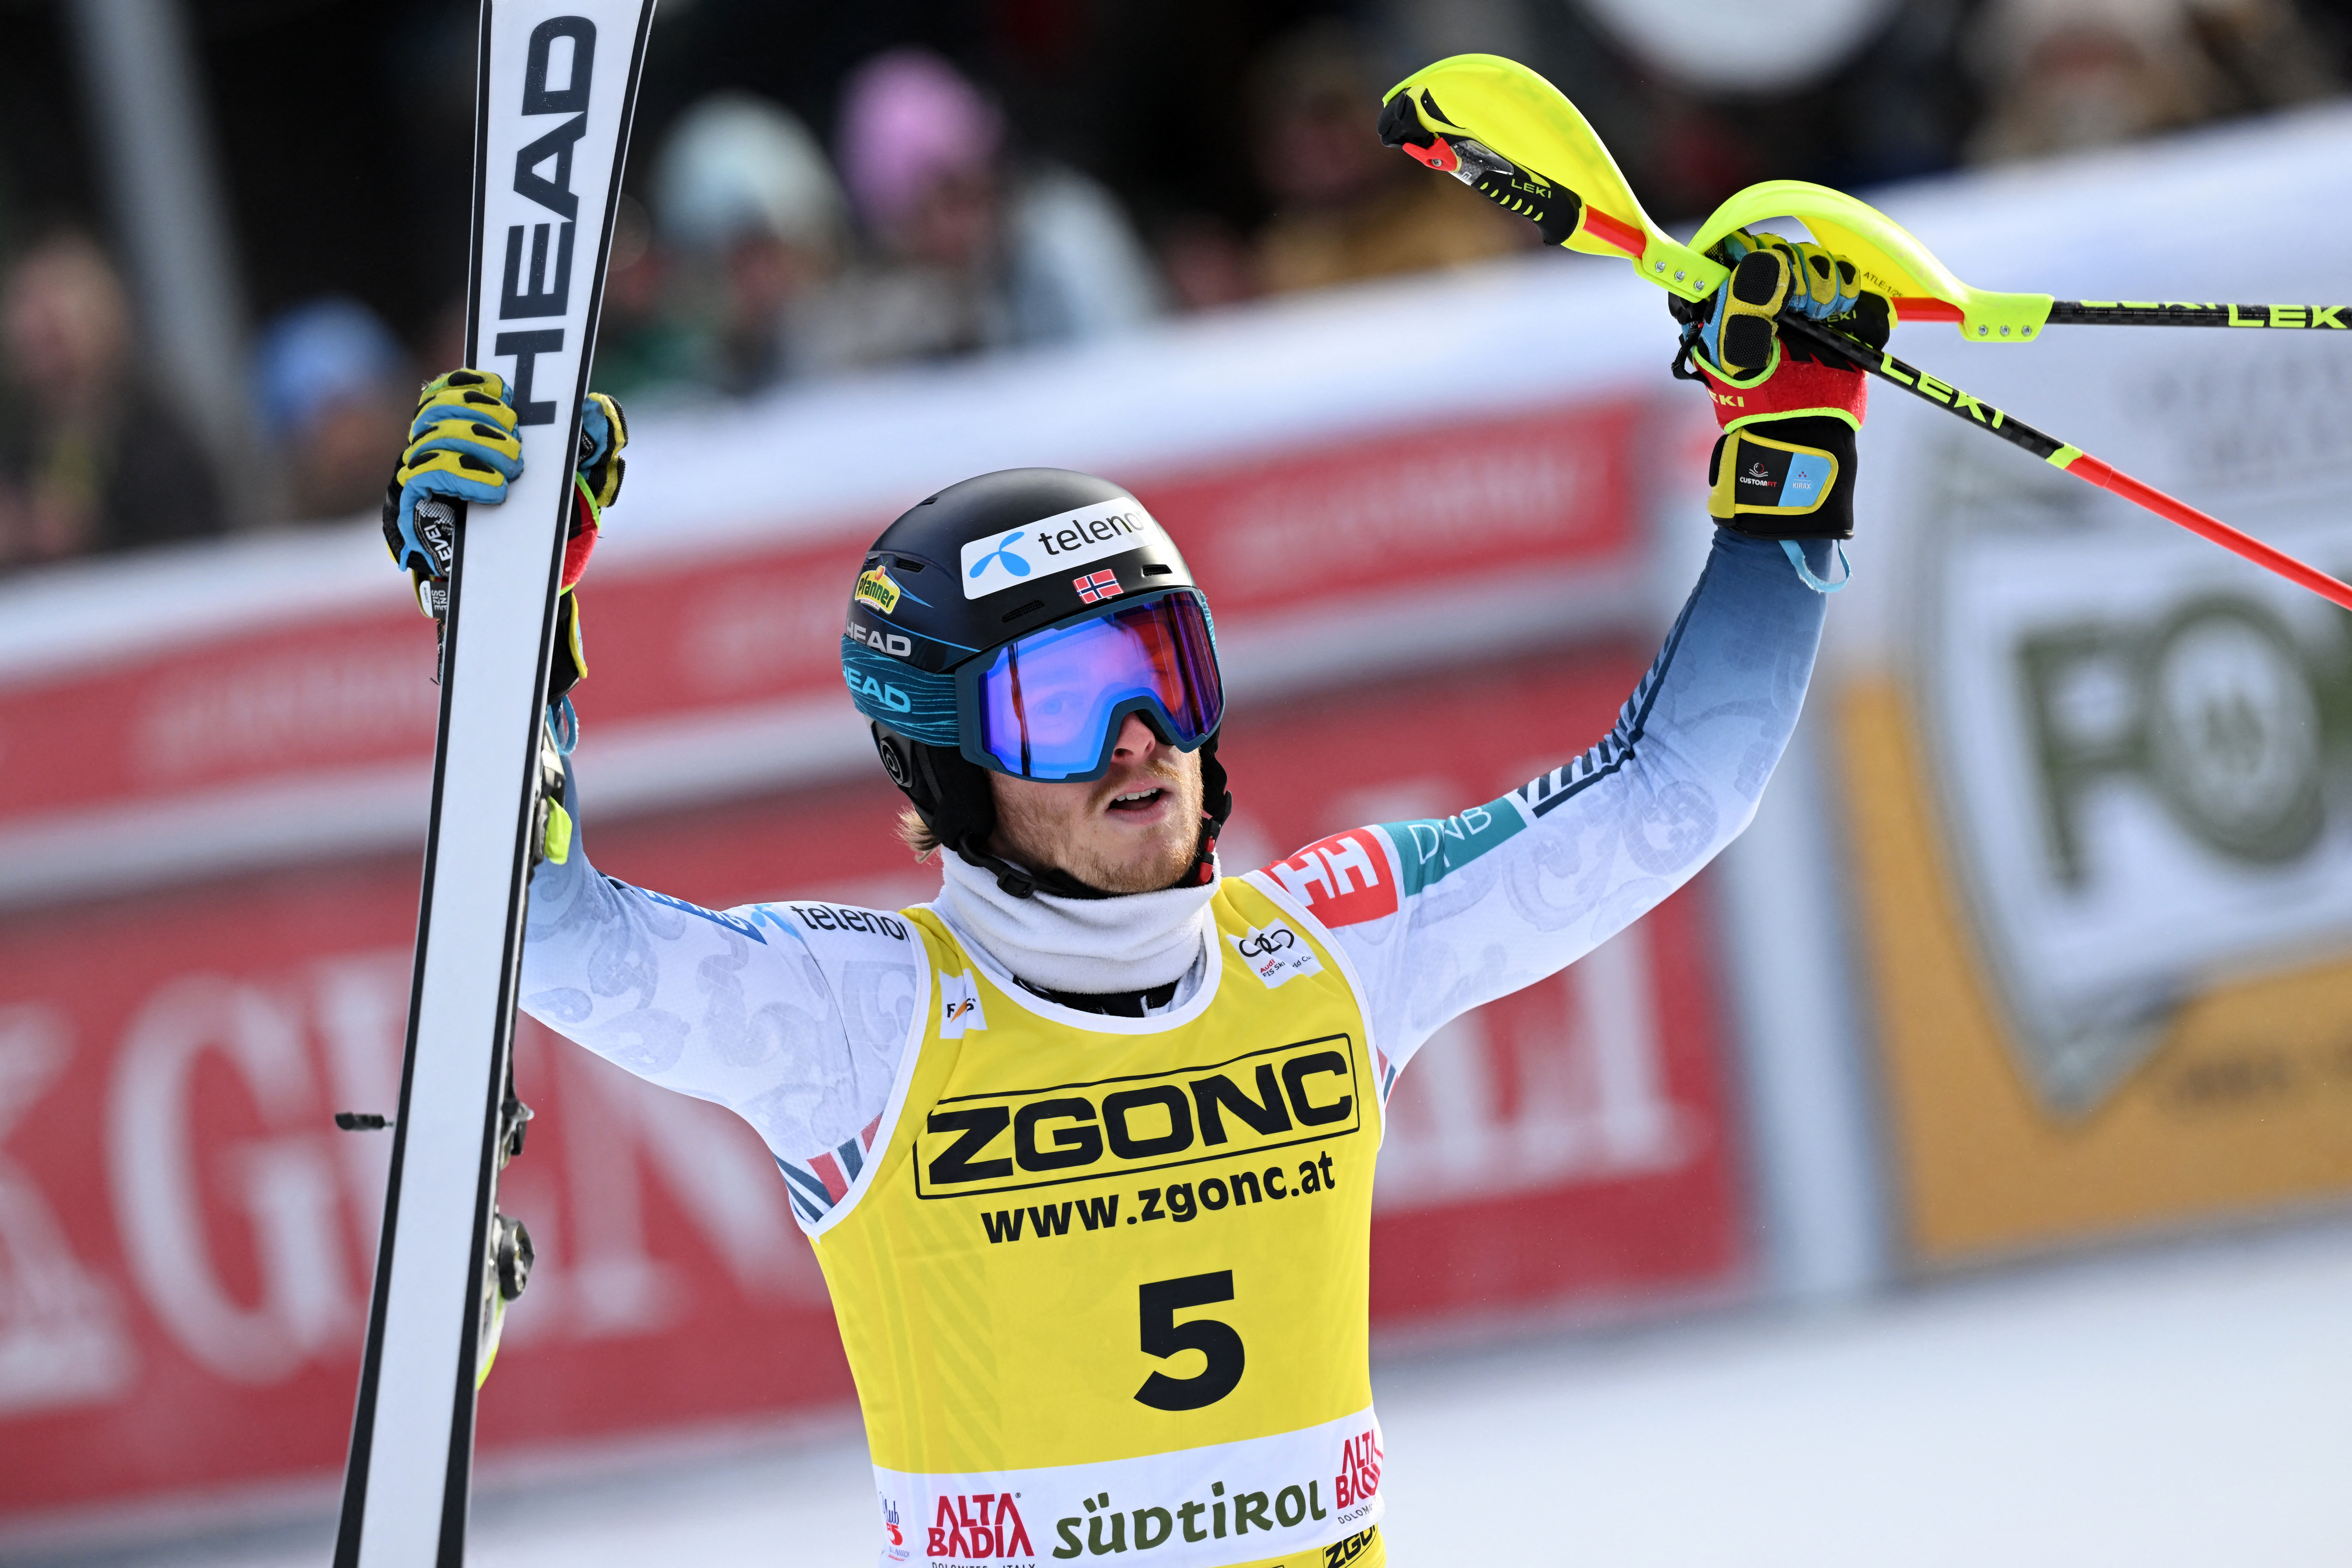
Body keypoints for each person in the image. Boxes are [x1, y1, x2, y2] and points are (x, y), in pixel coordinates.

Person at [382, 185, 1884, 1564]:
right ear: (948, 766)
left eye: (1164, 669)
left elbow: (1680, 790)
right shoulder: (860, 1015)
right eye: (1059, 701)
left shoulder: (1331, 941)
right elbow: (548, 933)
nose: (1139, 740)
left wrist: (1795, 458)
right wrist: (510, 631)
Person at [803, 47, 1164, 372]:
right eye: (930, 211)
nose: (960, 225)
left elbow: (1126, 376)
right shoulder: (869, 309)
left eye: (970, 196)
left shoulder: (1064, 238)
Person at [0, 230, 223, 568]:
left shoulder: (160, 448)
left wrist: (96, 535)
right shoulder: (20, 456)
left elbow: (196, 560)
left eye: (53, 338)